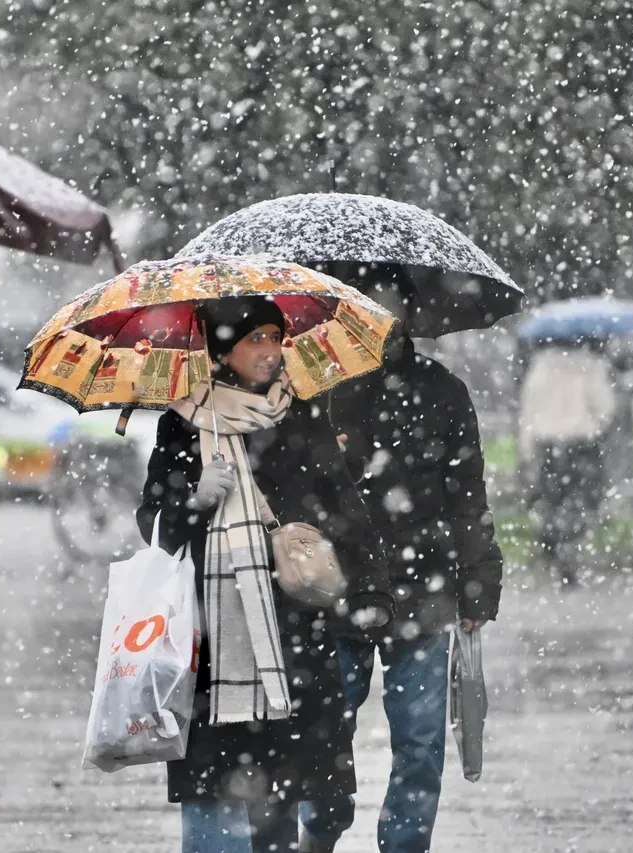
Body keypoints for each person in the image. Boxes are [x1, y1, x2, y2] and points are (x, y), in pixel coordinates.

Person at [136, 296, 394, 853]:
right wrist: (193, 501)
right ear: (223, 348)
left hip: (295, 632)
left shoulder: (299, 412)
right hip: (218, 638)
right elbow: (154, 526)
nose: (272, 351)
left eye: (276, 337)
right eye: (256, 338)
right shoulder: (181, 424)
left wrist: (371, 587)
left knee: (290, 787)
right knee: (219, 792)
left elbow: (346, 505)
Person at [300, 281, 504, 853]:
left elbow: (468, 495)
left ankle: (404, 846)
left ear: (410, 312)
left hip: (424, 591)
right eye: (366, 303)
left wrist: (478, 580)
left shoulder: (442, 391)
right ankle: (317, 835)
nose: (379, 315)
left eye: (390, 302)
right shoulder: (316, 387)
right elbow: (292, 491)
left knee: (420, 745)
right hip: (332, 592)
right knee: (323, 738)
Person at [517, 340, 617, 584]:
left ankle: (551, 540)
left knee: (552, 498)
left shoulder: (540, 367)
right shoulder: (592, 367)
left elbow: (528, 411)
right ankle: (567, 550)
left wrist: (527, 448)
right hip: (581, 444)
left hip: (548, 445)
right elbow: (605, 408)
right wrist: (593, 422)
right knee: (580, 500)